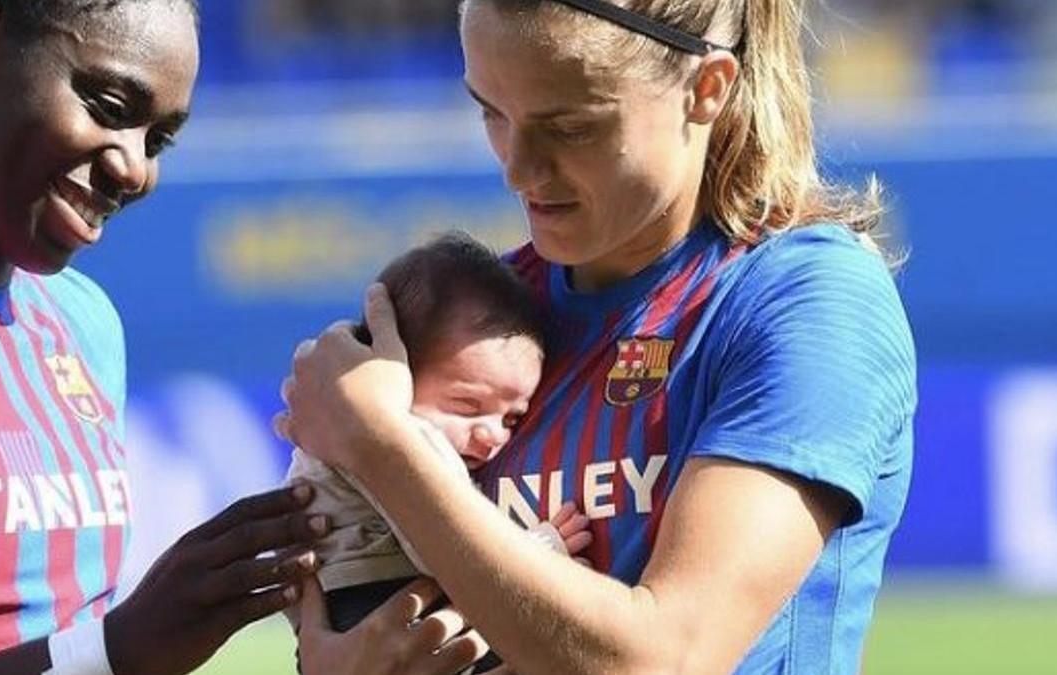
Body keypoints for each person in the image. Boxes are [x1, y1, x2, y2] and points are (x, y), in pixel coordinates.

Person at [276, 0, 917, 673]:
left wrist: (384, 445)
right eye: (491, 111)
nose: (518, 169)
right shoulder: (483, 320)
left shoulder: (805, 299)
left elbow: (663, 659)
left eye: (570, 127)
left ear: (707, 89)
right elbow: (364, 609)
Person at [0, 1, 324, 673]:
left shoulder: (84, 322)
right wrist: (119, 649)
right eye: (109, 104)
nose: (134, 169)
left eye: (157, 140)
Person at [282, 232, 592, 635]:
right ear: (394, 373)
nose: (491, 435)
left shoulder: (338, 427)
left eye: (511, 419)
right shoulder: (404, 434)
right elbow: (446, 548)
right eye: (466, 406)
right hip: (373, 601)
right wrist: (544, 550)